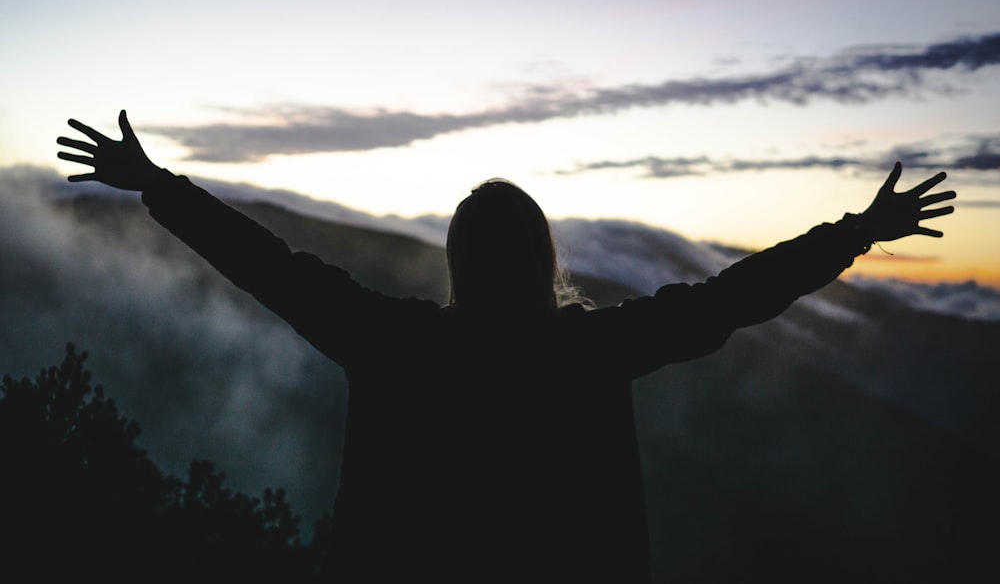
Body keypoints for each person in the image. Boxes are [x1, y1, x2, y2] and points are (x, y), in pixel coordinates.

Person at [57, 110, 955, 582]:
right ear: (545, 259)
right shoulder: (592, 349)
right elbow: (738, 295)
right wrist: (858, 231)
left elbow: (268, 264)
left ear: (456, 260)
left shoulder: (391, 340)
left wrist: (155, 187)